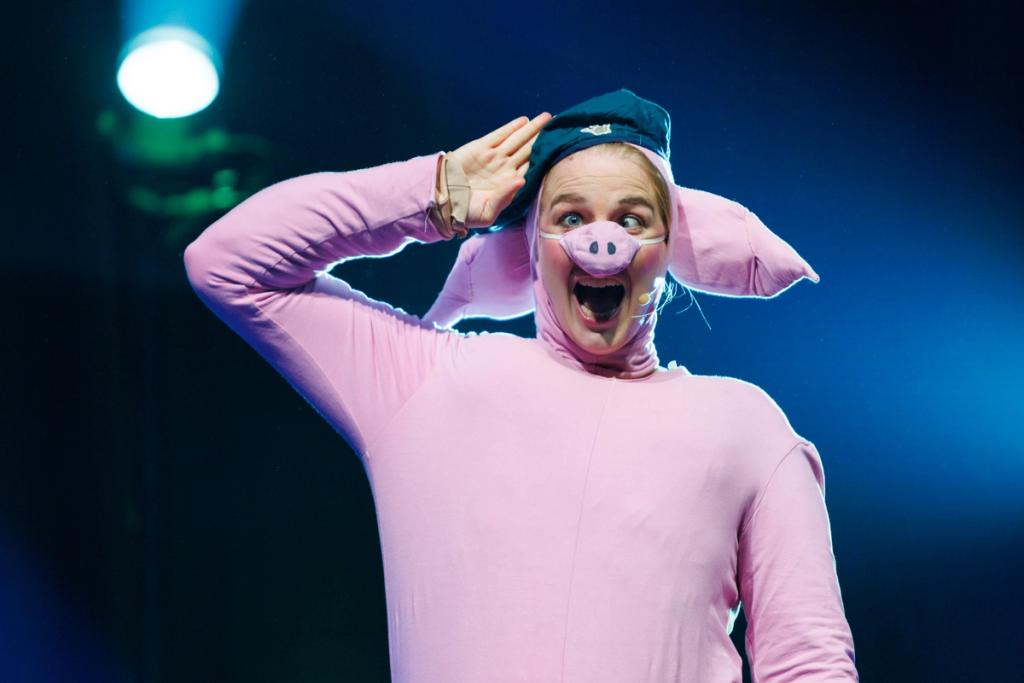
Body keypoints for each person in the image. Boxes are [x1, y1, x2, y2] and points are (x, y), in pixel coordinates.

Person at [183, 89, 858, 682]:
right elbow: (227, 264)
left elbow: (809, 663)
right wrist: (436, 192)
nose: (602, 242)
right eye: (570, 218)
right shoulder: (428, 381)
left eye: (631, 219)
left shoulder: (746, 426)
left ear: (669, 248)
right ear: (531, 245)